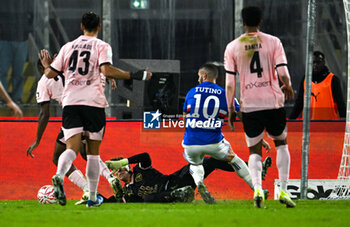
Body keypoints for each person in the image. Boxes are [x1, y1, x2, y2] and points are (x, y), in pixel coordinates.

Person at [39, 12, 151, 207]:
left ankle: (59, 175)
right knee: (92, 153)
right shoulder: (101, 46)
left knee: (71, 149)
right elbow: (106, 70)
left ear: (82, 26)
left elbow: (49, 74)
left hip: (71, 103)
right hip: (93, 104)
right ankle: (92, 197)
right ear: (99, 27)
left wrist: (46, 64)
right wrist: (135, 75)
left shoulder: (67, 47)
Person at [224, 6, 295, 208]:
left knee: (254, 150)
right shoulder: (273, 42)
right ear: (261, 21)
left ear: (243, 22)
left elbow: (230, 83)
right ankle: (282, 189)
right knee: (281, 143)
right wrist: (287, 86)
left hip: (250, 105)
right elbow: (282, 71)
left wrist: (230, 108)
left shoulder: (232, 47)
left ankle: (257, 188)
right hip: (272, 102)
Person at [27, 57, 120, 205]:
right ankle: (110, 178)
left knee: (58, 156)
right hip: (93, 111)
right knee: (88, 153)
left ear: (40, 69)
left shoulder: (44, 81)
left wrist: (37, 140)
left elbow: (44, 113)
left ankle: (86, 189)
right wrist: (107, 76)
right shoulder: (71, 70)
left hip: (73, 115)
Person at [177, 63, 256, 204]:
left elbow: (184, 118)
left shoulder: (191, 92)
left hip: (190, 142)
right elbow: (240, 115)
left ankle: (199, 182)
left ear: (204, 75)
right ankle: (256, 188)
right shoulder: (225, 94)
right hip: (213, 142)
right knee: (234, 159)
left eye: (199, 76)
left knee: (195, 164)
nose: (198, 79)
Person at [104, 152, 272, 203]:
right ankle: (179, 195)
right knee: (146, 198)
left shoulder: (140, 170)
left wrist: (124, 161)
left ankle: (254, 171)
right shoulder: (127, 192)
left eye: (121, 169)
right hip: (166, 195)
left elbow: (146, 156)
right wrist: (94, 198)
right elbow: (111, 202)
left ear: (127, 168)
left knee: (210, 161)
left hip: (177, 180)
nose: (119, 173)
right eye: (117, 172)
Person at [289, 51, 346, 120]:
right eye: (313, 62)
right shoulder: (305, 80)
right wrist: (290, 121)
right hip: (309, 126)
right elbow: (299, 103)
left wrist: (345, 123)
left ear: (324, 63)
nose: (315, 65)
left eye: (318, 62)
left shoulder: (333, 80)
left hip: (329, 125)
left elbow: (340, 104)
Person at [0, 1, 32, 103]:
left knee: (17, 72)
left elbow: (32, 14)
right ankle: (7, 98)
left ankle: (15, 98)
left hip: (16, 38)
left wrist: (27, 29)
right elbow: (32, 15)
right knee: (3, 71)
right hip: (8, 39)